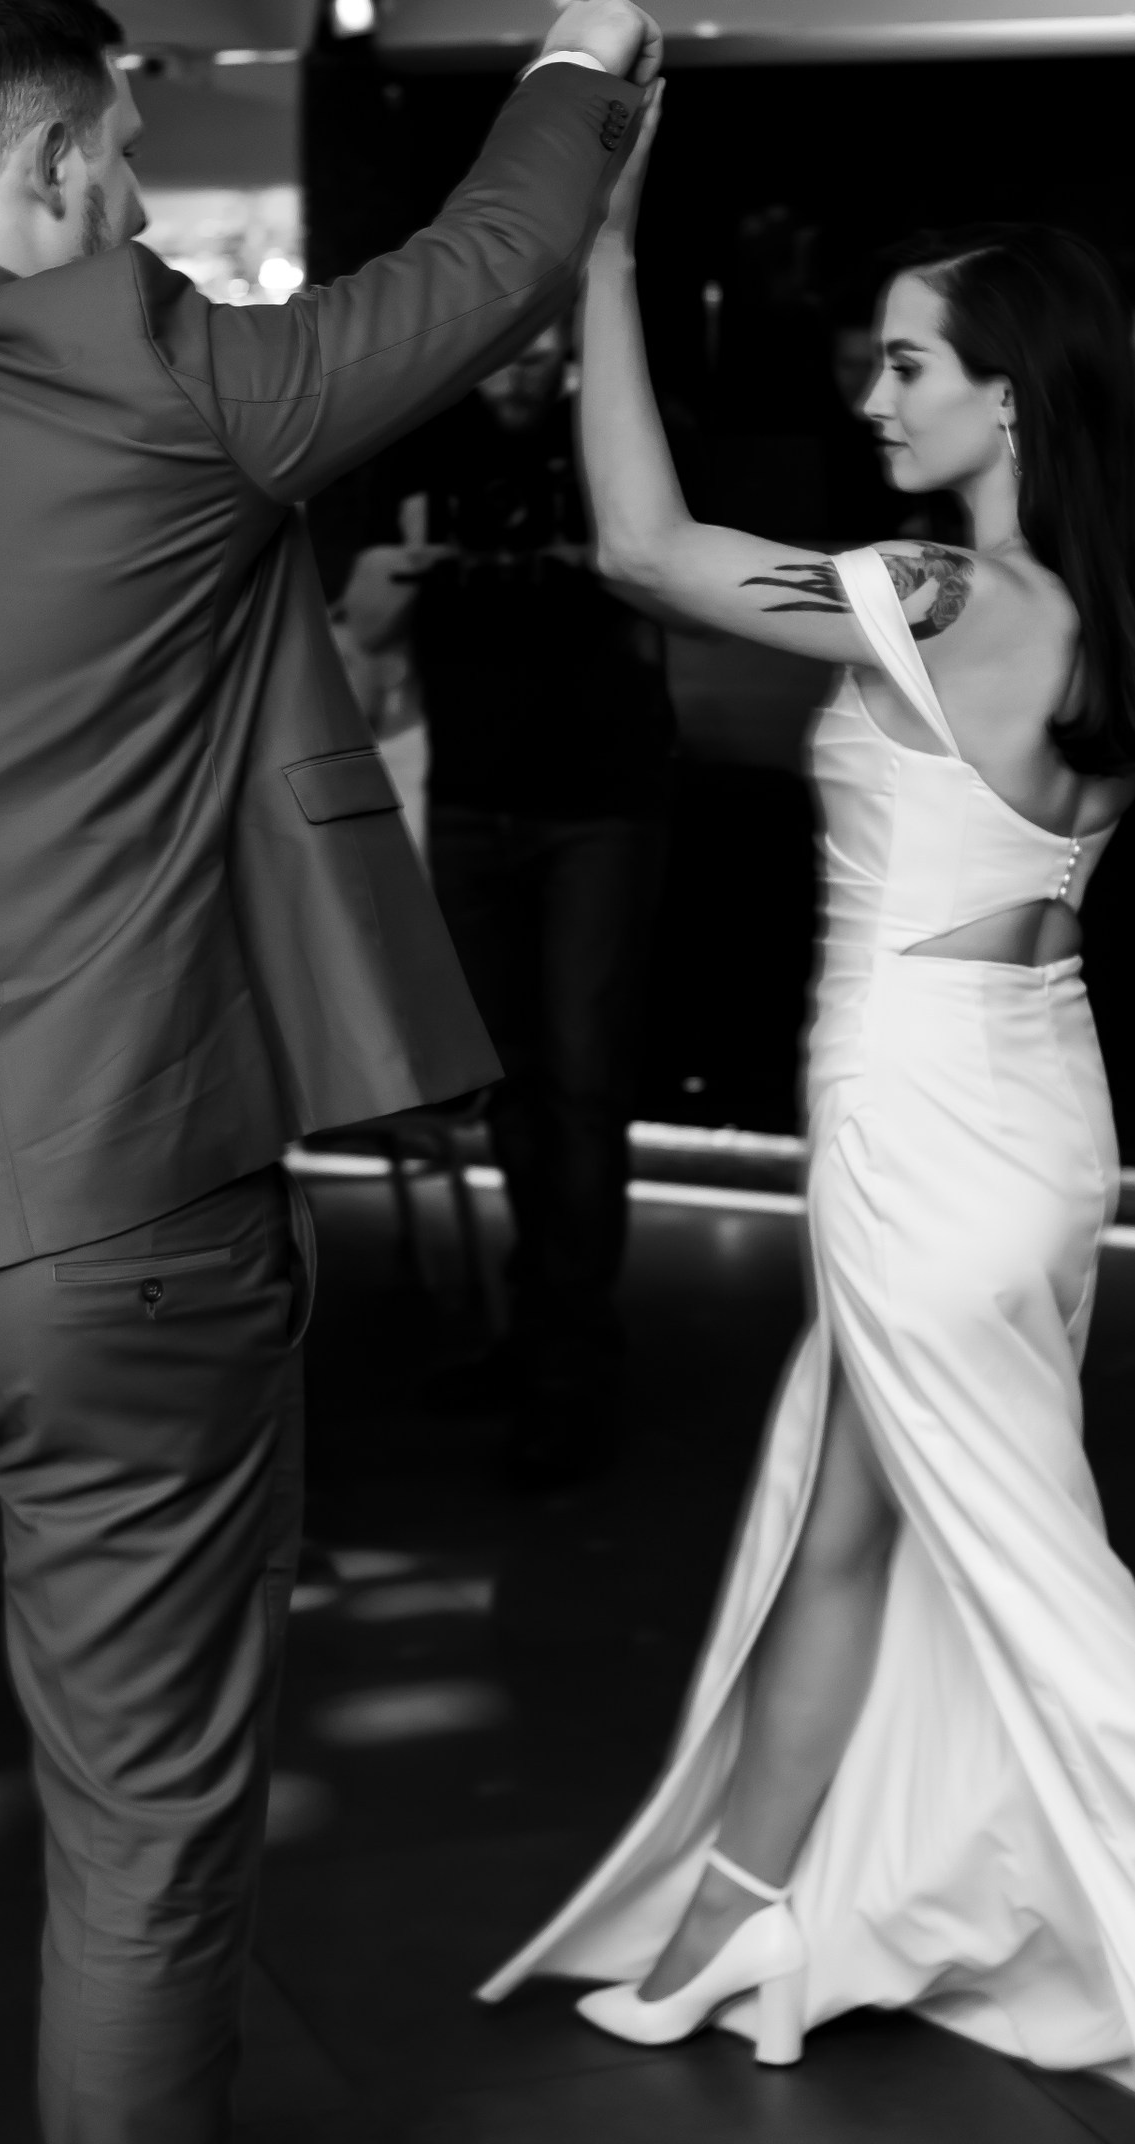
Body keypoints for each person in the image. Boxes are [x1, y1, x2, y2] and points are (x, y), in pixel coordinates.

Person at [482, 91, 1135, 2144]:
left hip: (924, 1133)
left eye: (907, 362)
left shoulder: (940, 592)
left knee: (1052, 1608)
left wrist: (607, 251)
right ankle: (727, 1919)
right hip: (1033, 1123)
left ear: (1007, 397)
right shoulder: (1105, 611)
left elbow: (640, 551)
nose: (873, 391)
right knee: (849, 1527)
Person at [0, 0, 657, 2144]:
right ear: (53, 161)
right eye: (118, 155)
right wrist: (579, 63)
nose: (130, 200)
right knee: (139, 1846)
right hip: (118, 1219)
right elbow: (483, 268)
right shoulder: (147, 367)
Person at [333, 315, 675, 1487]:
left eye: (545, 348)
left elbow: (682, 593)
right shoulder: (419, 448)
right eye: (509, 349)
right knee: (514, 1090)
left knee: (582, 1090)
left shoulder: (612, 440)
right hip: (475, 799)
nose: (525, 367)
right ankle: (539, 1340)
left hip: (603, 803)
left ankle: (571, 1373)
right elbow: (366, 628)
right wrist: (396, 578)